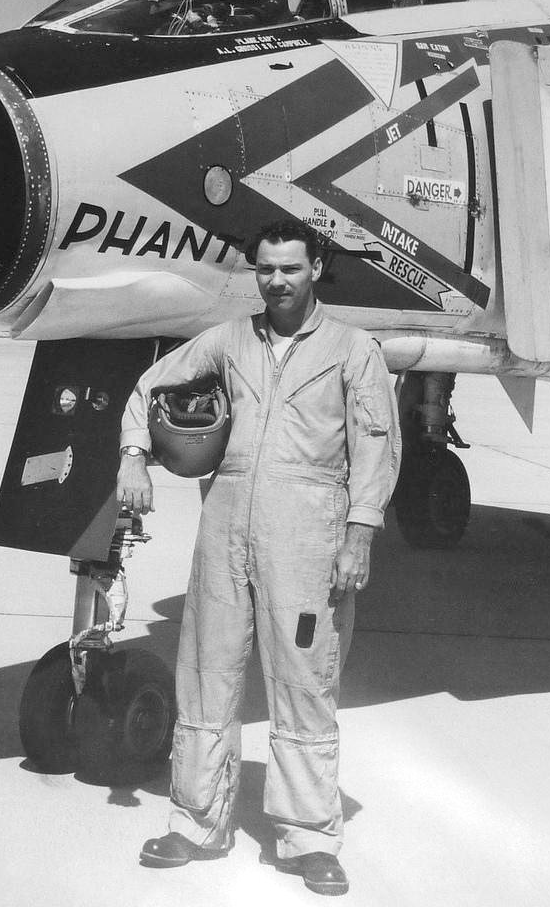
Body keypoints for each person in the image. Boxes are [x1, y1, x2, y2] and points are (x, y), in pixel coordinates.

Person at [117, 220, 401, 896]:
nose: (276, 281)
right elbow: (150, 387)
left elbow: (375, 445)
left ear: (316, 268)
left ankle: (307, 839)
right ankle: (193, 820)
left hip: (307, 533)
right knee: (204, 670)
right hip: (225, 527)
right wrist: (135, 454)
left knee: (304, 682)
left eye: (290, 269)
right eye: (266, 269)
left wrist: (359, 532)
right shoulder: (227, 340)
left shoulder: (352, 350)